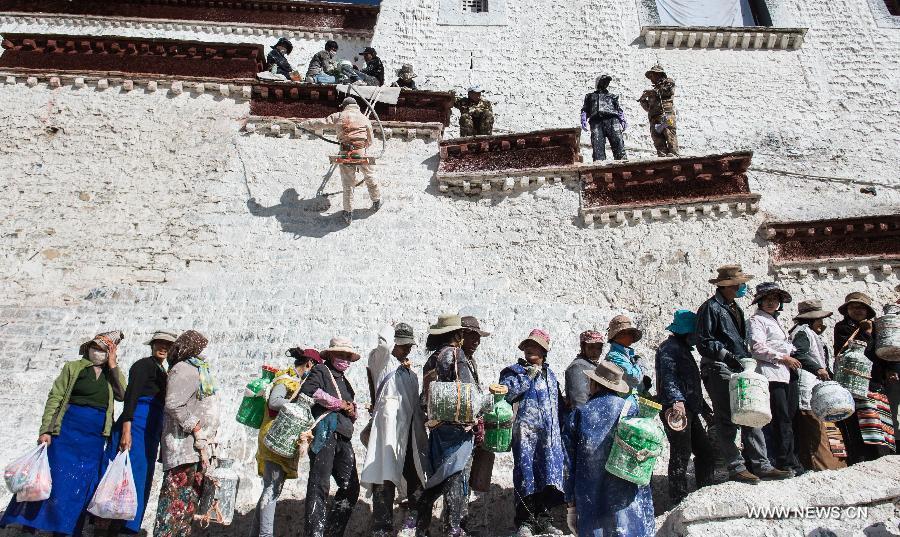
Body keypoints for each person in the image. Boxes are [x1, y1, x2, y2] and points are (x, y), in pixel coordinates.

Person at [0, 332, 126, 536]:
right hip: (67, 432)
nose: (98, 353)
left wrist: (113, 365)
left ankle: (65, 527)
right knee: (52, 478)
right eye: (96, 348)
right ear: (88, 348)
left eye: (104, 350)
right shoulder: (73, 368)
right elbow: (56, 397)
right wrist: (46, 430)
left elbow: (122, 395)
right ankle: (30, 524)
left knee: (79, 483)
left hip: (93, 438)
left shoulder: (110, 374)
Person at [696, 264, 790, 483]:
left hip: (739, 367)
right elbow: (704, 342)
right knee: (727, 417)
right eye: (740, 284)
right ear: (728, 285)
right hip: (718, 367)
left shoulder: (734, 308)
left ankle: (761, 464)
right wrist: (727, 356)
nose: (743, 287)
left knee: (751, 411)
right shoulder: (710, 308)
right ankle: (736, 467)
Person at [98, 330, 176, 536]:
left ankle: (127, 524)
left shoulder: (163, 371)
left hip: (149, 429)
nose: (163, 348)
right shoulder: (143, 365)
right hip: (136, 425)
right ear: (152, 345)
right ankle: (108, 525)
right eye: (159, 343)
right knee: (122, 476)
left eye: (167, 345)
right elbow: (131, 396)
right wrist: (126, 429)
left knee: (140, 476)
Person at [564, 361, 654, 537]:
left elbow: (568, 462)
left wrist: (571, 506)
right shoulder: (632, 409)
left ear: (594, 383)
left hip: (590, 497)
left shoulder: (580, 413)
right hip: (626, 499)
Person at [360, 324, 428, 537]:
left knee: (416, 480)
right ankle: (382, 528)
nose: (406, 348)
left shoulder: (411, 374)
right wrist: (392, 329)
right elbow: (383, 343)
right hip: (388, 434)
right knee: (384, 478)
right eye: (402, 344)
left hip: (410, 437)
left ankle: (416, 527)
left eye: (408, 345)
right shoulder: (383, 363)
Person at [499, 329, 567, 537]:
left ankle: (544, 521)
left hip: (549, 438)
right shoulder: (513, 372)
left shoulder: (551, 375)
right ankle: (525, 523)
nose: (530, 348)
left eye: (535, 345)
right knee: (526, 476)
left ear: (544, 350)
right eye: (528, 345)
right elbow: (505, 396)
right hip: (526, 437)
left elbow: (558, 406)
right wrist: (526, 378)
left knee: (548, 477)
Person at [415, 314, 476, 537]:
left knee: (440, 474)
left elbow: (424, 400)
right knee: (455, 476)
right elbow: (467, 394)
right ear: (457, 334)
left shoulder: (431, 360)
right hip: (458, 428)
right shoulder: (456, 356)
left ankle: (419, 525)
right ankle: (452, 528)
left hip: (437, 428)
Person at [250, 347, 322, 537]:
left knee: (272, 487)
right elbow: (274, 402)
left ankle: (256, 533)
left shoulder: (296, 382)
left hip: (283, 440)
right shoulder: (285, 380)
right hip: (274, 439)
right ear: (309, 364)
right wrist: (298, 407)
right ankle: (265, 534)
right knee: (272, 488)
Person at [154, 330, 220, 537]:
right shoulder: (183, 369)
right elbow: (174, 404)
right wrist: (196, 427)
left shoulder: (198, 370)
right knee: (174, 504)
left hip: (196, 448)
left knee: (188, 506)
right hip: (184, 445)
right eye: (201, 348)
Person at [300, 337, 361, 537]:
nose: (345, 359)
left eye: (348, 356)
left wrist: (352, 410)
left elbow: (350, 406)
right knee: (320, 484)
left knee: (351, 488)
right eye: (341, 355)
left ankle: (332, 533)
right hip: (325, 434)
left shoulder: (345, 380)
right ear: (331, 355)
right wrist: (340, 404)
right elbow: (309, 391)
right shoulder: (321, 371)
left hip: (343, 435)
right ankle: (314, 533)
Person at [655, 310, 716, 504]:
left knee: (704, 450)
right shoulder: (669, 348)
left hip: (687, 407)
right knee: (681, 451)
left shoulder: (681, 349)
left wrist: (705, 410)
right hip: (675, 409)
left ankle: (704, 492)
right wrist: (676, 401)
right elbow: (669, 376)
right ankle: (678, 497)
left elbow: (691, 386)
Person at [749, 282, 804, 476]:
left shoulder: (773, 320)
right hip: (770, 374)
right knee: (780, 419)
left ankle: (789, 459)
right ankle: (784, 462)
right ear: (760, 301)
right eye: (767, 299)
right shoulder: (757, 320)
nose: (772, 303)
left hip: (783, 374)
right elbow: (757, 348)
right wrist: (783, 357)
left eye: (775, 299)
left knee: (786, 417)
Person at [298, 97, 381, 225]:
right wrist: (362, 147)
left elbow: (321, 123)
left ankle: (348, 213)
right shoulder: (364, 118)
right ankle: (376, 202)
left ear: (345, 106)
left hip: (345, 153)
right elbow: (370, 141)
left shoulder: (339, 116)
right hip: (361, 152)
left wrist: (303, 124)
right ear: (356, 106)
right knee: (370, 176)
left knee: (348, 184)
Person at [790, 300, 846, 471]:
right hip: (808, 391)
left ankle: (839, 466)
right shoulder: (801, 333)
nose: (822, 323)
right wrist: (818, 369)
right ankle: (824, 468)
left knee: (830, 429)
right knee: (817, 434)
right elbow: (798, 354)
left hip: (820, 392)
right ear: (812, 320)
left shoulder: (812, 334)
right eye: (819, 319)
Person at [833, 292, 888, 464]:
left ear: (867, 310)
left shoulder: (878, 328)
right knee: (859, 422)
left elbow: (883, 353)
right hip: (854, 383)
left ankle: (881, 455)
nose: (857, 310)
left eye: (861, 307)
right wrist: (866, 334)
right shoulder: (842, 328)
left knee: (878, 421)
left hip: (875, 381)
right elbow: (857, 352)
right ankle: (862, 458)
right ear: (847, 310)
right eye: (853, 307)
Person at [581, 74, 627, 161]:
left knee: (618, 142)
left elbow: (618, 109)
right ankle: (599, 166)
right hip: (596, 121)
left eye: (607, 82)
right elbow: (585, 109)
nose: (605, 83)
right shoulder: (590, 96)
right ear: (598, 83)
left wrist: (622, 120)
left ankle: (622, 163)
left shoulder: (613, 96)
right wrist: (583, 118)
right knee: (597, 145)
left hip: (612, 120)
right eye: (603, 81)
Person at [638, 64, 678, 157]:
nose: (651, 78)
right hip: (654, 118)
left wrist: (652, 92)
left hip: (666, 115)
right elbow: (648, 108)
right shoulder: (654, 90)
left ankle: (674, 154)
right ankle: (662, 155)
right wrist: (643, 100)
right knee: (657, 139)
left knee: (669, 134)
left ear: (659, 74)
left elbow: (668, 91)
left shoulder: (668, 82)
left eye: (652, 75)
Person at [604, 315, 644, 406]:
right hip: (620, 405)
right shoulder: (614, 356)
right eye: (629, 333)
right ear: (620, 334)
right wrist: (639, 364)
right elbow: (635, 378)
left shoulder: (626, 356)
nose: (632, 336)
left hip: (627, 403)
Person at [565, 330, 605, 409]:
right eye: (591, 347)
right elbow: (579, 401)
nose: (595, 352)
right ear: (583, 347)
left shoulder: (591, 364)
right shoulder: (578, 367)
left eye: (599, 348)